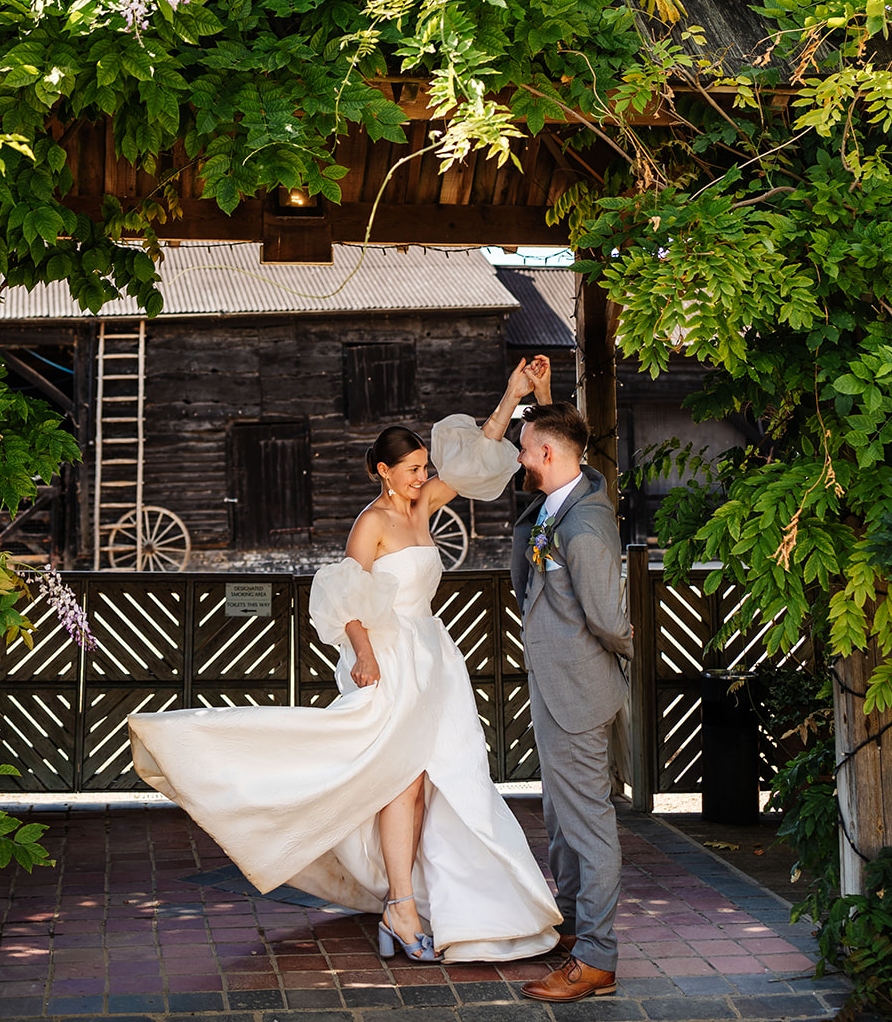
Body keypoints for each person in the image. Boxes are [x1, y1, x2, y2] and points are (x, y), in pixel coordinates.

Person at [127, 359, 561, 964]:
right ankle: (402, 905)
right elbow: (342, 596)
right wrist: (362, 655)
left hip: (433, 659)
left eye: (422, 471)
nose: (421, 479)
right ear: (383, 472)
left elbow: (472, 462)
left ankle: (420, 902)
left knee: (440, 782)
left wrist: (514, 394)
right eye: (410, 471)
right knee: (397, 783)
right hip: (387, 658)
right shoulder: (371, 523)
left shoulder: (422, 506)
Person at [511, 354, 633, 1004]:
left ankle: (597, 959)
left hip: (579, 693)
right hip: (555, 688)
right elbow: (557, 441)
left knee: (587, 825)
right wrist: (543, 396)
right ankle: (575, 929)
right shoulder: (563, 497)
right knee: (559, 819)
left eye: (527, 449)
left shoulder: (583, 526)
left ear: (550, 454)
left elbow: (609, 620)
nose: (520, 458)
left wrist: (619, 654)